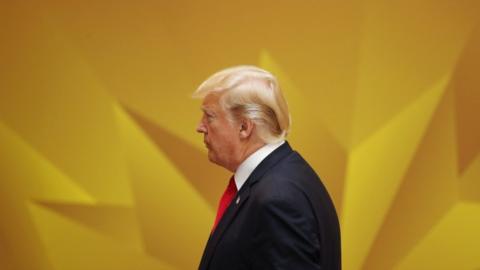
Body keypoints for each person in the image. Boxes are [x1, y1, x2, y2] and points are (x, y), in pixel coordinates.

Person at [193, 66, 341, 270]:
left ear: (244, 127)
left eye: (209, 117)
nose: (200, 127)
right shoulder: (281, 178)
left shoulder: (277, 198)